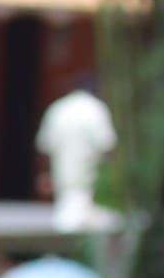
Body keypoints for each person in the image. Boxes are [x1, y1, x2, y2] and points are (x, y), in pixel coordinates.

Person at [36, 73, 117, 229]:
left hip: (62, 177)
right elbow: (107, 147)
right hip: (89, 180)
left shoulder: (58, 109)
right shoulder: (96, 109)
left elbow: (44, 147)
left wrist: (44, 174)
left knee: (66, 217)